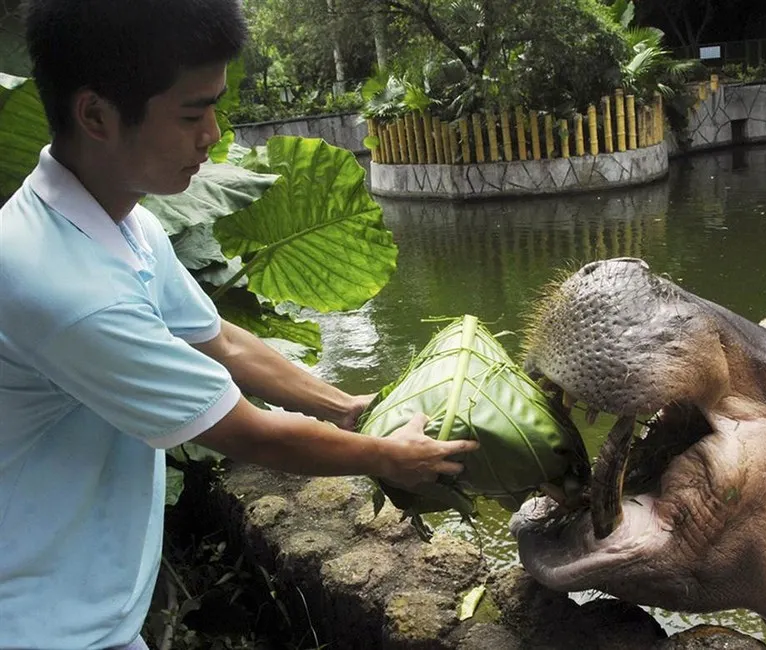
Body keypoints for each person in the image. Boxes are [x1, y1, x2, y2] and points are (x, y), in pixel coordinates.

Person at [0, 1, 479, 648]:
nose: (212, 132)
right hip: (42, 627)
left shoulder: (124, 224)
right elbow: (248, 434)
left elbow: (222, 341)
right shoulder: (61, 284)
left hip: (94, 609)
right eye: (192, 113)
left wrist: (348, 407)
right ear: (96, 116)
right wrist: (389, 457)